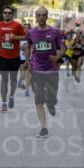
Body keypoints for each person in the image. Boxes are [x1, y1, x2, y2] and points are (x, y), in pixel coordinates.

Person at [26, 7, 63, 137]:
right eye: (39, 15)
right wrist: (27, 62)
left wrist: (57, 58)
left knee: (51, 98)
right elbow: (28, 47)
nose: (41, 17)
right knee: (38, 99)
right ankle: (43, 127)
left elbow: (62, 48)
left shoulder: (55, 32)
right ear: (36, 17)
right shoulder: (31, 33)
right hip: (37, 69)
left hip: (51, 70)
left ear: (47, 16)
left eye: (44, 15)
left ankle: (51, 103)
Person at [0, 5, 26, 113]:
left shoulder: (17, 25)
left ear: (12, 14)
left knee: (13, 79)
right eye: (5, 12)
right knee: (4, 79)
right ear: (3, 14)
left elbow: (25, 36)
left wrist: (15, 38)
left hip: (15, 56)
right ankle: (4, 102)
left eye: (9, 13)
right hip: (3, 56)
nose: (7, 14)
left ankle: (11, 96)